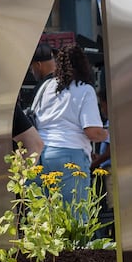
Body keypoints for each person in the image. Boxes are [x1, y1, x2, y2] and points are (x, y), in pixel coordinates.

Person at [29, 44, 106, 210]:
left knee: (45, 215)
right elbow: (92, 131)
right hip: (69, 154)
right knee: (75, 215)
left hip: (40, 154)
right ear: (84, 65)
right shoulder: (84, 90)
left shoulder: (46, 87)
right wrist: (107, 135)